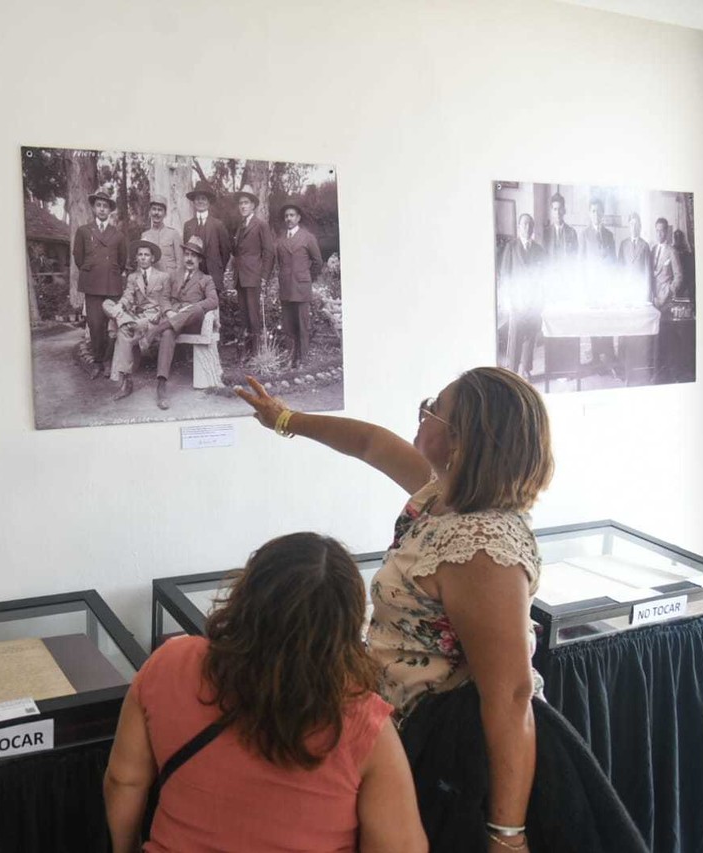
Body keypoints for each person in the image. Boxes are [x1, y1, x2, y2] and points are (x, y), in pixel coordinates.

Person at [237, 367, 647, 853]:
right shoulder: (442, 494)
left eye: (434, 407)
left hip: (452, 752)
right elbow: (370, 443)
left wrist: (507, 834)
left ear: (461, 442)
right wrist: (285, 419)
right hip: (409, 728)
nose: (423, 411)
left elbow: (510, 694)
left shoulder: (480, 547)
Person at [104, 532, 428, 853]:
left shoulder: (170, 662)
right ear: (347, 627)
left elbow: (124, 781)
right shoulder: (366, 726)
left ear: (245, 595)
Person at [135, 236, 219, 410]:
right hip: (173, 319)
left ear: (199, 260)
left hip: (193, 322)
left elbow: (213, 301)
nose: (189, 258)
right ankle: (161, 384)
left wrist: (190, 308)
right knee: (167, 333)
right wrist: (169, 311)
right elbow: (164, 298)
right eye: (187, 254)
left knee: (197, 309)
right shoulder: (173, 276)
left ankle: (153, 331)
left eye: (193, 256)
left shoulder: (206, 279)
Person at [105, 241, 172, 403]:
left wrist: (162, 313)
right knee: (107, 304)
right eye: (140, 255)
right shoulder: (132, 277)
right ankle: (127, 381)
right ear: (136, 258)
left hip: (153, 318)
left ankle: (126, 382)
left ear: (152, 258)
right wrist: (121, 305)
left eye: (146, 255)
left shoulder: (163, 277)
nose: (143, 258)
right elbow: (128, 296)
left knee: (122, 330)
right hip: (135, 316)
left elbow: (166, 301)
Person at [73, 190, 129, 379]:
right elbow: (78, 258)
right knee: (95, 325)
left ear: (110, 210)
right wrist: (94, 270)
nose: (102, 209)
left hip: (112, 284)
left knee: (112, 326)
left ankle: (109, 361)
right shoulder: (83, 231)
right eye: (99, 205)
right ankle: (98, 363)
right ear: (94, 208)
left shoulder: (118, 235)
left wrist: (109, 270)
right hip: (92, 284)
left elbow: (122, 260)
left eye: (106, 206)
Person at [274, 202, 323, 369]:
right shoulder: (280, 240)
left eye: (292, 215)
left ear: (298, 218)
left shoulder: (308, 237)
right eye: (286, 216)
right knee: (288, 325)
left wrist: (307, 277)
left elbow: (317, 262)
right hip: (286, 287)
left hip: (301, 287)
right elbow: (279, 263)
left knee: (302, 325)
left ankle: (303, 359)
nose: (289, 218)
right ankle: (290, 358)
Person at [230, 185, 275, 357]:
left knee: (254, 315)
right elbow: (237, 252)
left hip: (254, 277)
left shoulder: (260, 225)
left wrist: (264, 276)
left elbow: (269, 252)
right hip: (240, 277)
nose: (242, 206)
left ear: (253, 206)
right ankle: (247, 351)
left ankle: (256, 354)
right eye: (240, 203)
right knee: (244, 315)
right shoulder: (240, 226)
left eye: (246, 203)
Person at [499, 214, 545, 379]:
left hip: (532, 302)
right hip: (516, 301)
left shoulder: (539, 250)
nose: (527, 228)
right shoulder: (511, 247)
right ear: (519, 227)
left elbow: (543, 278)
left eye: (530, 225)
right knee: (516, 336)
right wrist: (508, 301)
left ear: (533, 228)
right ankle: (511, 371)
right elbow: (505, 275)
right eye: (524, 224)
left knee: (530, 336)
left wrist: (539, 300)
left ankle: (525, 368)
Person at [579, 198, 618, 373]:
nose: (596, 215)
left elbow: (614, 263)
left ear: (603, 214)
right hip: (591, 286)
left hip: (606, 286)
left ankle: (609, 356)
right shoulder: (584, 234)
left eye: (599, 211)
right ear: (589, 213)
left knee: (607, 320)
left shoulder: (610, 235)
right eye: (593, 211)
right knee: (593, 321)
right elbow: (581, 262)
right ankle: (595, 359)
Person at [181, 181, 232, 296]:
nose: (200, 201)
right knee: (195, 311)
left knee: (212, 311)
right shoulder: (188, 225)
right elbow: (187, 251)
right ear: (194, 202)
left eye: (203, 198)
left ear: (208, 202)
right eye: (198, 199)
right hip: (193, 277)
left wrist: (217, 269)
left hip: (213, 276)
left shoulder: (218, 225)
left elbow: (226, 252)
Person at [651, 218, 684, 382]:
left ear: (667, 231)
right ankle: (657, 373)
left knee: (666, 339)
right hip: (654, 301)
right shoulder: (653, 249)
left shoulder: (672, 251)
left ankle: (671, 375)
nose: (659, 233)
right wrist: (653, 297)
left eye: (662, 230)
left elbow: (679, 277)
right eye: (657, 230)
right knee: (654, 338)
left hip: (666, 303)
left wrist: (666, 294)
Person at [141, 195, 183, 286]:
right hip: (151, 284)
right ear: (150, 212)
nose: (156, 213)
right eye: (154, 209)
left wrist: (176, 289)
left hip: (170, 283)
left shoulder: (174, 234)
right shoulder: (145, 236)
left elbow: (180, 264)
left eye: (160, 210)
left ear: (165, 214)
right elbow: (141, 262)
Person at [617, 212, 653, 302]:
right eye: (631, 224)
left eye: (636, 224)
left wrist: (647, 294)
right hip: (626, 289)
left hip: (639, 289)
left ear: (640, 226)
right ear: (629, 226)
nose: (634, 227)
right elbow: (619, 268)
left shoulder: (645, 246)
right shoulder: (623, 244)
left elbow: (647, 272)